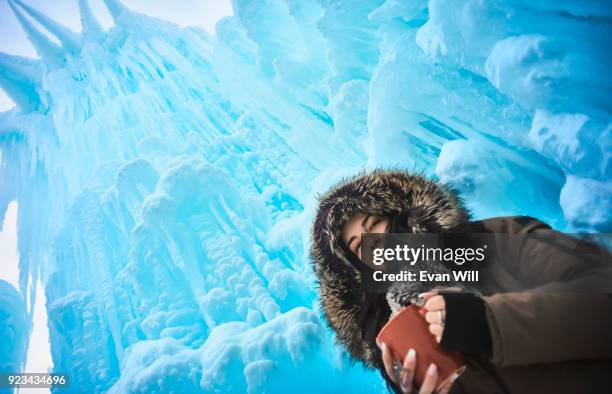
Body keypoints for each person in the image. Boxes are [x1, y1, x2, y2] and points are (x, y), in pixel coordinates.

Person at [310, 168, 612, 394]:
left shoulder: (497, 240)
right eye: (357, 246)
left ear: (400, 214)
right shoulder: (393, 335)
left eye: (374, 223)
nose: (371, 241)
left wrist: (489, 322)